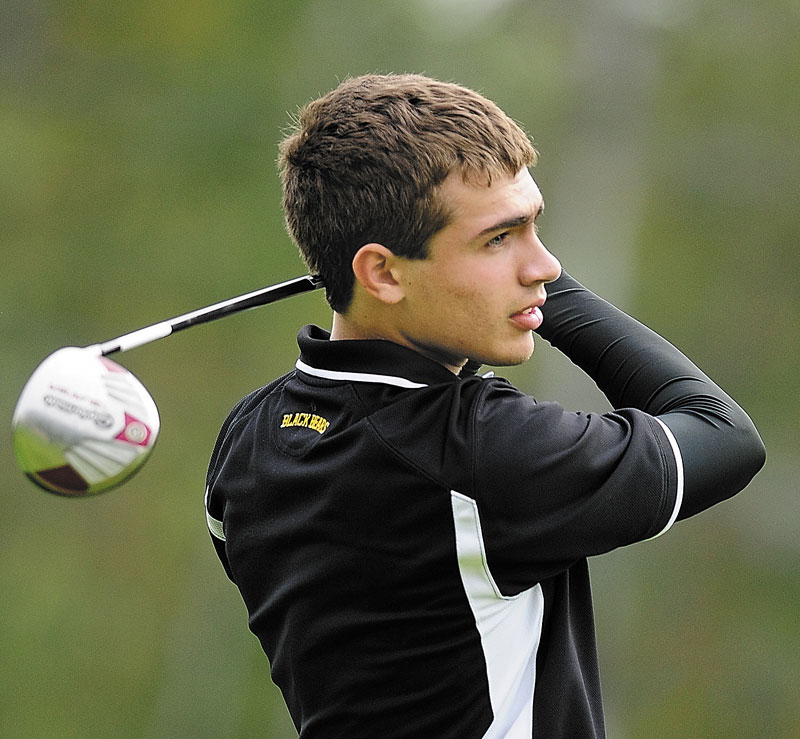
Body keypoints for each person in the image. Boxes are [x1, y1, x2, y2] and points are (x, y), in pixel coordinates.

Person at [204, 73, 765, 738]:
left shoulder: (247, 440)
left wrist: (507, 277)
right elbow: (724, 434)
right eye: (500, 238)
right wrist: (551, 302)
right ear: (382, 272)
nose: (546, 265)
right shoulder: (479, 452)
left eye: (535, 225)